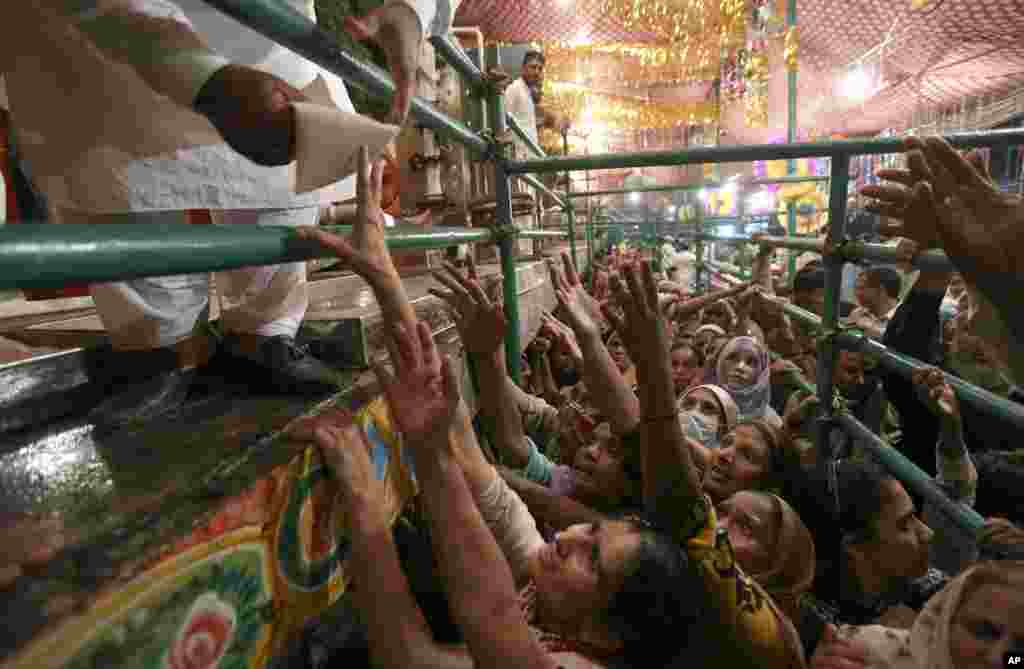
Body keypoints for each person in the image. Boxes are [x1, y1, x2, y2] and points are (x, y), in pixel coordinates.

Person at [0, 0, 435, 429]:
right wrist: (201, 77)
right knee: (121, 173)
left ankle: (265, 337)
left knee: (284, 179)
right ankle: (159, 352)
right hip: (99, 34)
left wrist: (410, 8)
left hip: (271, 28)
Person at [809, 561, 1024, 669]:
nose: (997, 658)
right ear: (946, 620)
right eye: (983, 631)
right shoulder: (857, 655)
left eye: (1021, 647)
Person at [504, 50, 545, 159]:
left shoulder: (528, 91)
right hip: (518, 159)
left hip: (529, 157)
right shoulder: (514, 89)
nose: (536, 72)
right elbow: (503, 124)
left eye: (540, 69)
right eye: (533, 67)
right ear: (523, 68)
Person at [848, 268, 902, 340]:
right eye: (856, 288)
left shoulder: (909, 316)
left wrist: (877, 332)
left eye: (862, 288)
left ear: (881, 290)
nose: (857, 293)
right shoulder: (857, 313)